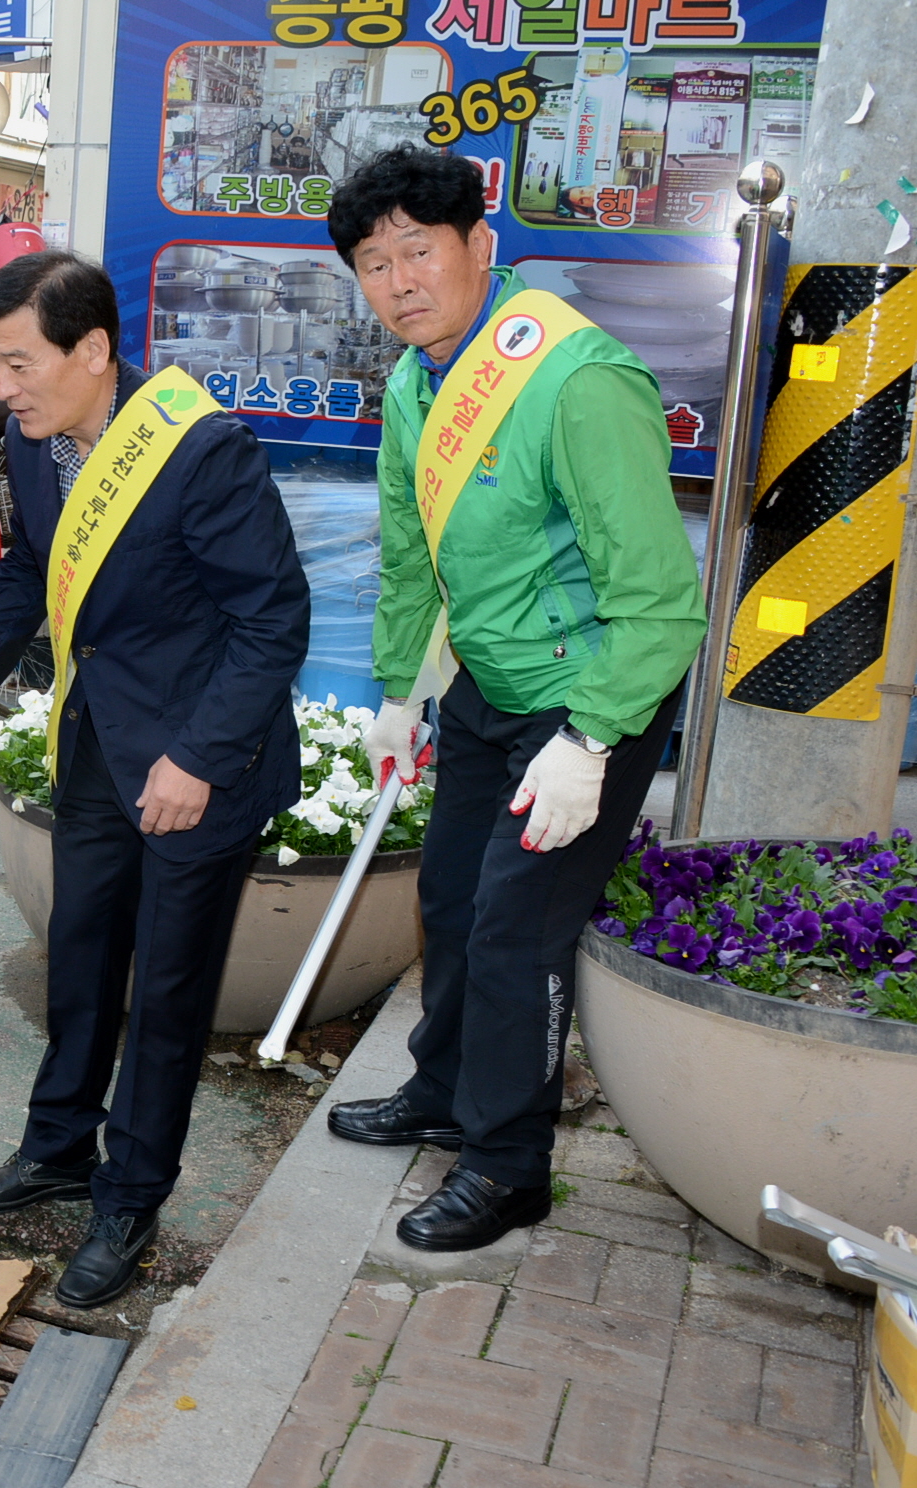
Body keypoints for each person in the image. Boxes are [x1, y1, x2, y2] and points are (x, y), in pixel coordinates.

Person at [321, 147, 704, 1251]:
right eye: (374, 263)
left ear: (479, 245)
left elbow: (661, 602)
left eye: (419, 251)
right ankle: (443, 1090)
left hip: (591, 703)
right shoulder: (415, 380)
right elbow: (410, 556)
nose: (399, 282)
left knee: (515, 932)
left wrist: (591, 738)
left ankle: (507, 1163)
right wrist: (399, 692)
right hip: (487, 687)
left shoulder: (576, 379)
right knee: (449, 902)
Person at [0, 252, 310, 1308]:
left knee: (168, 991)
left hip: (198, 767)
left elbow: (273, 621)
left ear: (92, 350)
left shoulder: (202, 450)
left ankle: (131, 1199)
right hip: (97, 746)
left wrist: (198, 759)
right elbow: (29, 566)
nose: (2, 389)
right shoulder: (36, 440)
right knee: (80, 959)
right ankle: (57, 1147)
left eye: (19, 363)